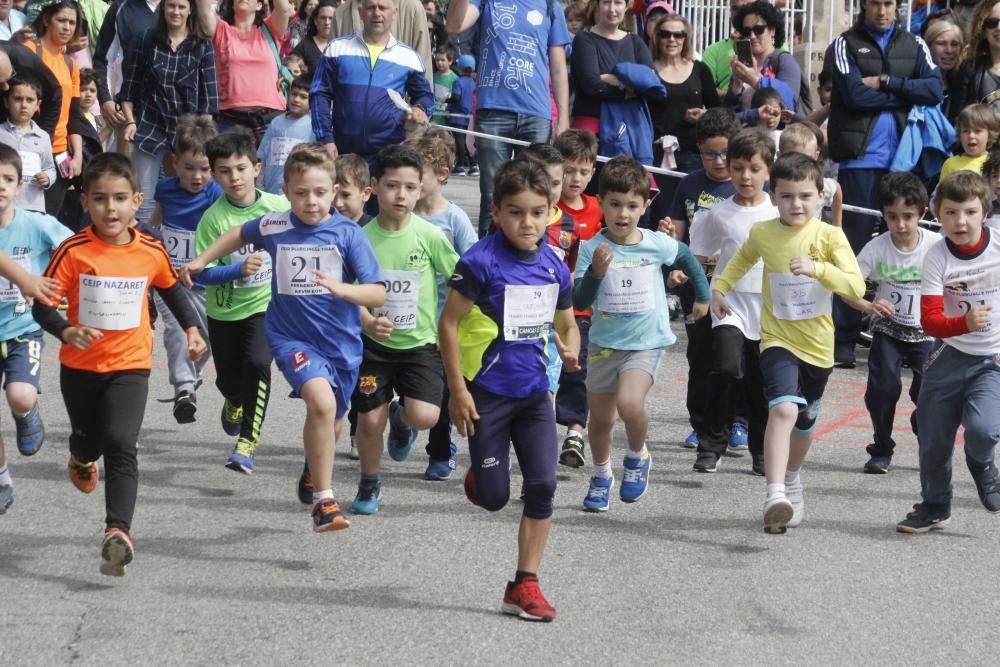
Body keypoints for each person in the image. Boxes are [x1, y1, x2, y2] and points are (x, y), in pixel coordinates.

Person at [183, 144, 386, 532]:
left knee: (334, 419)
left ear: (333, 190)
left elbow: (377, 293)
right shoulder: (275, 225)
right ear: (286, 191)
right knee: (321, 402)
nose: (311, 202)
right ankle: (325, 502)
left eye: (320, 193)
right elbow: (237, 234)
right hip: (291, 338)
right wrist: (202, 261)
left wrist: (345, 291)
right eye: (300, 193)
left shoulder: (347, 234)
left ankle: (315, 467)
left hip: (341, 344)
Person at [32, 152, 208, 575]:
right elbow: (42, 305)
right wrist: (65, 330)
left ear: (137, 202)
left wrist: (191, 329)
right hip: (80, 366)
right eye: (99, 199)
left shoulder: (149, 249)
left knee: (121, 442)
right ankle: (79, 457)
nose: (110, 209)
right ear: (86, 203)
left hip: (130, 365)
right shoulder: (73, 251)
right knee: (88, 440)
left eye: (119, 199)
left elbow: (170, 289)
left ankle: (118, 532)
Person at [439, 158, 579, 622]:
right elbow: (449, 325)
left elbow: (566, 322)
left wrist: (570, 345)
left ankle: (524, 585)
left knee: (543, 485)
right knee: (495, 497)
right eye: (516, 212)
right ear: (497, 213)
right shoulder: (480, 261)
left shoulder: (554, 266)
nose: (528, 222)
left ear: (550, 211)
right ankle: (482, 474)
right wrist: (458, 392)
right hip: (488, 395)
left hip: (535, 394)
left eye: (538, 212)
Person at [711, 153, 865, 534]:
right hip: (777, 339)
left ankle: (793, 478)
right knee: (783, 410)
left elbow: (856, 286)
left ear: (820, 197)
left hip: (818, 346)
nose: (796, 204)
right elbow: (739, 261)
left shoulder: (830, 236)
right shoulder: (763, 233)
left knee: (806, 418)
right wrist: (719, 288)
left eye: (804, 196)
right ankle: (774, 493)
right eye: (786, 196)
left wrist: (819, 269)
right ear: (773, 196)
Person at [573, 155, 708, 512]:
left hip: (645, 342)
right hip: (604, 344)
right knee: (600, 420)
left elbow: (687, 259)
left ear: (646, 204)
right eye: (614, 204)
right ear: (600, 202)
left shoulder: (655, 243)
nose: (623, 214)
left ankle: (637, 456)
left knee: (630, 403)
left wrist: (703, 297)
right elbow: (580, 300)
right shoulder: (591, 249)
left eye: (632, 206)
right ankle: (602, 475)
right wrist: (596, 273)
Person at [828, 0, 943, 369]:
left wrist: (887, 82)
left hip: (905, 162)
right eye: (875, 3)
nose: (882, 10)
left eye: (889, 3)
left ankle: (915, 336)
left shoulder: (916, 44)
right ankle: (843, 338)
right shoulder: (846, 43)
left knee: (909, 244)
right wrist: (905, 93)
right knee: (854, 248)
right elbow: (851, 94)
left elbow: (934, 90)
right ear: (865, 6)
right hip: (860, 160)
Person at [350, 144, 458, 513]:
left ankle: (402, 419)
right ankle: (369, 483)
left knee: (426, 416)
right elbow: (347, 293)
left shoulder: (429, 235)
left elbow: (459, 275)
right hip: (372, 347)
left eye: (410, 187)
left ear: (421, 189)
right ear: (375, 186)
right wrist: (366, 319)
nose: (401, 195)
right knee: (368, 419)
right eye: (393, 186)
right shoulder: (360, 238)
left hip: (419, 345)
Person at [897, 171, 1000, 533]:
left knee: (984, 429)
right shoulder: (937, 256)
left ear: (984, 213)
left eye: (970, 212)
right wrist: (965, 324)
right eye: (951, 212)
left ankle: (982, 464)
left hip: (993, 359)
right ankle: (935, 505)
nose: (961, 221)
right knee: (934, 438)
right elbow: (930, 321)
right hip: (950, 352)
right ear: (936, 215)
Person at [196, 130, 289, 474]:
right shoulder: (213, 220)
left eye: (240, 168)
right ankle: (233, 400)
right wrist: (235, 270)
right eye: (224, 171)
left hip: (265, 307)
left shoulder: (279, 208)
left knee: (257, 363)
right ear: (214, 175)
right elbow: (200, 274)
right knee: (229, 381)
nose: (234, 177)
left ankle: (247, 443)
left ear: (257, 168)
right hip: (224, 311)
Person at [689, 128, 776, 475]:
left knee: (760, 380)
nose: (745, 176)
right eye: (738, 167)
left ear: (768, 169)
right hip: (729, 304)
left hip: (769, 309)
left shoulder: (779, 212)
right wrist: (696, 286)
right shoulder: (720, 213)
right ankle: (711, 443)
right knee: (725, 367)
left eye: (754, 168)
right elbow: (698, 252)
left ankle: (762, 449)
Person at [446, 0, 572, 237]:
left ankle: (531, 262)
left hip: (537, 112)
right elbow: (454, 26)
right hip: (493, 109)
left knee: (535, 194)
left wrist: (563, 117)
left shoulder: (550, 5)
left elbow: (558, 67)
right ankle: (487, 265)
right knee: (493, 196)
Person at [841, 172, 938, 475]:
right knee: (881, 390)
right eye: (892, 216)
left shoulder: (936, 246)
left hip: (926, 335)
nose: (900, 225)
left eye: (908, 216)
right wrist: (868, 304)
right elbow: (846, 287)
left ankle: (924, 428)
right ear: (882, 214)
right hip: (888, 332)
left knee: (930, 393)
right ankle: (881, 447)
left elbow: (957, 282)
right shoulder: (877, 248)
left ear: (922, 213)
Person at [0, 145, 71, 514]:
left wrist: (57, 289)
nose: (0, 186)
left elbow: (73, 249)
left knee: (21, 396)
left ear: (18, 184)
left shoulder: (35, 223)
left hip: (22, 327)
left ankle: (26, 416)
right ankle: (2, 479)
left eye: (7, 179)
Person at [663, 107, 739, 451]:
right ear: (698, 151)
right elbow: (678, 232)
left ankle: (740, 421)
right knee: (701, 358)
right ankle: (701, 423)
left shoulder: (748, 182)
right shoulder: (690, 184)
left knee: (737, 360)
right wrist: (671, 246)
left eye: (726, 152)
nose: (719, 160)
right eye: (710, 153)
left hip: (739, 290)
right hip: (698, 287)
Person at [407, 129, 476, 479]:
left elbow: (474, 265)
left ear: (442, 175)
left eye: (417, 176)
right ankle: (403, 418)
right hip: (405, 322)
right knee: (408, 386)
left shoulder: (455, 220)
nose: (408, 184)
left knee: (445, 389)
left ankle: (439, 449)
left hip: (444, 323)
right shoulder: (401, 215)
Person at [145, 115, 221, 424]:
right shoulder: (165, 189)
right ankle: (184, 389)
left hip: (206, 280)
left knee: (210, 336)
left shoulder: (215, 193)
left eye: (204, 169)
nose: (197, 176)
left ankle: (193, 373)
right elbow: (157, 219)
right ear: (174, 163)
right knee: (177, 330)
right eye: (189, 168)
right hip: (171, 278)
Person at [118, 0, 218, 224]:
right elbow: (129, 87)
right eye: (171, 6)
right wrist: (131, 122)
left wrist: (203, 137)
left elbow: (209, 97)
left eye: (181, 7)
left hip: (188, 130)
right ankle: (144, 245)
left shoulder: (202, 44)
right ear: (163, 8)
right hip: (149, 125)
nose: (176, 11)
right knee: (143, 197)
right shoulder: (146, 39)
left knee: (187, 194)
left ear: (190, 9)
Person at [310, 0, 434, 166]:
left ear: (394, 13)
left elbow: (425, 95)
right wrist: (325, 138)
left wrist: (420, 108)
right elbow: (319, 94)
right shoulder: (337, 48)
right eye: (371, 8)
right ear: (361, 13)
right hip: (342, 153)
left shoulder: (409, 58)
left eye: (382, 8)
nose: (377, 13)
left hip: (388, 157)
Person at [553, 128, 602, 467]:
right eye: (568, 170)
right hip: (541, 308)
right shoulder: (545, 210)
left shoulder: (599, 210)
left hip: (580, 308)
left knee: (576, 368)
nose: (576, 178)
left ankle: (574, 431)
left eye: (583, 172)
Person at [646, 12, 720, 209]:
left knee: (692, 213)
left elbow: (718, 112)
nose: (672, 39)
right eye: (665, 34)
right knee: (660, 213)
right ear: (657, 37)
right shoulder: (646, 69)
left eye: (678, 35)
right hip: (655, 154)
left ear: (685, 38)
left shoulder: (700, 69)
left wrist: (704, 116)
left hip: (692, 154)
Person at [195, 0, 294, 140]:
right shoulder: (221, 29)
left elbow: (283, 8)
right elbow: (203, 8)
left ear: (259, 5)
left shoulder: (270, 28)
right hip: (229, 121)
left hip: (270, 120)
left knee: (272, 163)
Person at [24, 0, 84, 217]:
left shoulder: (71, 65)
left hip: (58, 154)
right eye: (62, 20)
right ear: (48, 19)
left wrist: (76, 155)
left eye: (72, 22)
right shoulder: (30, 50)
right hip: (26, 149)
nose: (67, 27)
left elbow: (74, 116)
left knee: (48, 220)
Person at [569, 0, 654, 135]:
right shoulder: (584, 40)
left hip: (630, 129)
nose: (611, 9)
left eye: (618, 3)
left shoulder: (636, 42)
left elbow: (650, 84)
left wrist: (614, 79)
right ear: (597, 5)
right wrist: (629, 91)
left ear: (626, 7)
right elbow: (593, 86)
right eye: (606, 2)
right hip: (592, 129)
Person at [91, 0, 160, 157]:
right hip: (129, 110)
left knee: (180, 177)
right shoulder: (121, 8)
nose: (176, 10)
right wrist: (105, 99)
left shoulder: (179, 7)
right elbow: (102, 60)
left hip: (172, 112)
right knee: (127, 174)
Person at [724, 1, 802, 115]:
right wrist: (736, 87)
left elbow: (788, 101)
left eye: (758, 29)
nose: (752, 36)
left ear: (772, 30)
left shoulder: (784, 60)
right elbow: (730, 113)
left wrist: (755, 80)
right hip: (745, 131)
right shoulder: (743, 64)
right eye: (747, 31)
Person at [332, 0, 432, 85]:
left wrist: (421, 106)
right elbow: (328, 79)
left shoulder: (412, 8)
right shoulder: (341, 14)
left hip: (399, 105)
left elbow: (424, 71)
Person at [0, 75, 56, 213]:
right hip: (3, 205)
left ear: (37, 105)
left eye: (30, 100)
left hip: (33, 207)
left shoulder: (43, 137)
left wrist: (47, 178)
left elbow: (50, 167)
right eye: (18, 99)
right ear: (6, 102)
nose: (23, 105)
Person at [258, 75, 316, 195]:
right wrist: (259, 183)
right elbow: (263, 155)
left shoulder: (313, 125)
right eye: (294, 94)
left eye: (303, 97)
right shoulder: (276, 122)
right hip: (271, 190)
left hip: (298, 190)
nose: (296, 99)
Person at [0, 42, 62, 140]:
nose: (6, 87)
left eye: (9, 78)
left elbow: (54, 93)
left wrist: (44, 137)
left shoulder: (25, 60)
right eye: (0, 83)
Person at [951, 1, 1000, 120]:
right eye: (992, 23)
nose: (999, 28)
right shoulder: (969, 69)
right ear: (982, 30)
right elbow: (958, 119)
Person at [701, 0, 753, 97]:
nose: (740, 13)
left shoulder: (773, 48)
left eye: (747, 8)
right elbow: (707, 91)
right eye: (735, 8)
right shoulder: (713, 51)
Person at [939, 104, 1000, 179]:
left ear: (990, 133)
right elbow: (943, 190)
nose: (971, 136)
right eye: (965, 131)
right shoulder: (950, 164)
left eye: (977, 131)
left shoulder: (995, 163)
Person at [923, 17, 964, 121]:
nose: (949, 50)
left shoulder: (962, 82)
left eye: (954, 44)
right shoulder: (917, 81)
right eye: (941, 43)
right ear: (928, 46)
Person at [446, 53, 476, 175]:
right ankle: (474, 165)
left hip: (457, 117)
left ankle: (460, 166)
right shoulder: (474, 82)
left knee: (459, 142)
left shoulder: (458, 82)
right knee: (471, 141)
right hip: (470, 117)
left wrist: (447, 99)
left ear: (459, 67)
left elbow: (456, 98)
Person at [291, 0, 337, 73]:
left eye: (331, 18)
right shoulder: (303, 47)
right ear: (315, 21)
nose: (327, 22)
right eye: (323, 18)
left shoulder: (345, 47)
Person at [333, 152, 373, 227]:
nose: (338, 203)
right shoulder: (322, 230)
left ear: (366, 193)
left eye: (346, 195)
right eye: (333, 194)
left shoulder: (372, 232)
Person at [431, 45, 457, 126]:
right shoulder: (433, 76)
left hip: (446, 118)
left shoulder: (454, 79)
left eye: (443, 60)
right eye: (437, 60)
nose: (439, 63)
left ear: (450, 61)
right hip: (433, 116)